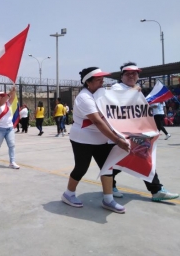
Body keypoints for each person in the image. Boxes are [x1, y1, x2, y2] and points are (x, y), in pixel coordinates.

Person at [61, 67, 130, 213]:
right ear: (88, 83)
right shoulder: (84, 98)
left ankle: (108, 199)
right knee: (81, 168)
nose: (102, 83)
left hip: (100, 139)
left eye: (102, 80)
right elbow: (98, 122)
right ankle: (68, 194)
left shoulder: (101, 95)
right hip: (82, 139)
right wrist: (118, 140)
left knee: (107, 167)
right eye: (98, 80)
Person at [111, 62, 179, 201]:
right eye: (128, 73)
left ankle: (156, 190)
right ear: (122, 76)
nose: (132, 76)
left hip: (135, 132)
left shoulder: (136, 89)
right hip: (119, 133)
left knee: (141, 157)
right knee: (127, 159)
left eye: (135, 73)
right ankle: (110, 183)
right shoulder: (116, 88)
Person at [0, 86, 20, 169]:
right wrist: (9, 93)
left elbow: (12, 98)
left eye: (4, 95)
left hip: (9, 128)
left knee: (12, 145)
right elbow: (1, 102)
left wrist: (13, 91)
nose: (3, 96)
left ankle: (12, 162)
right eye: (1, 95)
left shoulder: (7, 104)